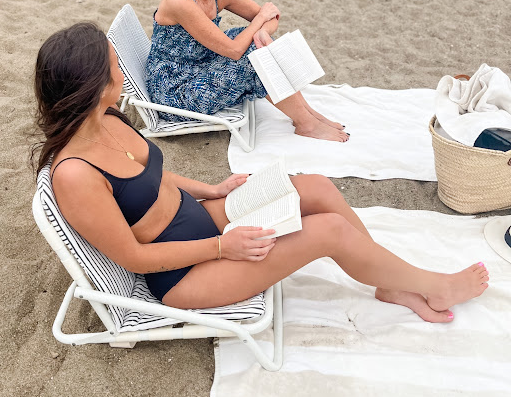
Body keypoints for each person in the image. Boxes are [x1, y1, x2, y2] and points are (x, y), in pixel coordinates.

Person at [33, 21, 489, 321]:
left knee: (316, 187)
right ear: (95, 84)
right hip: (185, 273)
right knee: (328, 231)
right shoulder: (75, 174)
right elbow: (131, 257)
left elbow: (152, 180)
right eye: (114, 62)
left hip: (200, 219)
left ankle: (393, 285)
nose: (121, 66)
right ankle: (438, 287)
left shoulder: (110, 119)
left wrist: (211, 188)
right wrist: (220, 247)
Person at [145, 0, 349, 142]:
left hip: (200, 66)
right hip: (175, 93)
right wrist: (259, 22)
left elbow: (273, 18)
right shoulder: (177, 0)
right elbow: (234, 50)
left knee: (255, 40)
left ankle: (309, 115)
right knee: (251, 51)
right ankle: (306, 123)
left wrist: (263, 32)